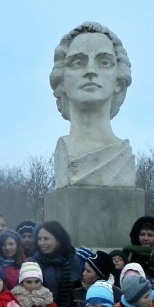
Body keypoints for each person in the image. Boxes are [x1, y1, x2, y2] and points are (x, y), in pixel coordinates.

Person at [50, 22, 135, 188]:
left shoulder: (123, 154)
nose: (90, 71)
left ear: (118, 81)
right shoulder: (65, 152)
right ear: (63, 81)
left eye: (103, 62)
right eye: (77, 63)